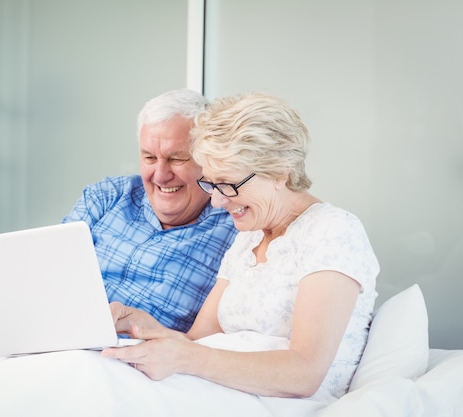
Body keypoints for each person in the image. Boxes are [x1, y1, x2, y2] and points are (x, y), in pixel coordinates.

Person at [102, 92, 380, 399]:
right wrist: (143, 325)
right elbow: (196, 342)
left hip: (280, 402)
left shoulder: (332, 230)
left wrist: (186, 358)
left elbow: (304, 373)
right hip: (221, 391)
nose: (218, 202)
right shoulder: (248, 239)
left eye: (228, 184)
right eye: (211, 184)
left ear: (279, 172)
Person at [62, 89, 237, 333]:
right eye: (149, 158)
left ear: (208, 160)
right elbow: (48, 274)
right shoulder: (106, 196)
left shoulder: (235, 228)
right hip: (65, 337)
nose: (161, 176)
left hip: (144, 362)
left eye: (177, 159)